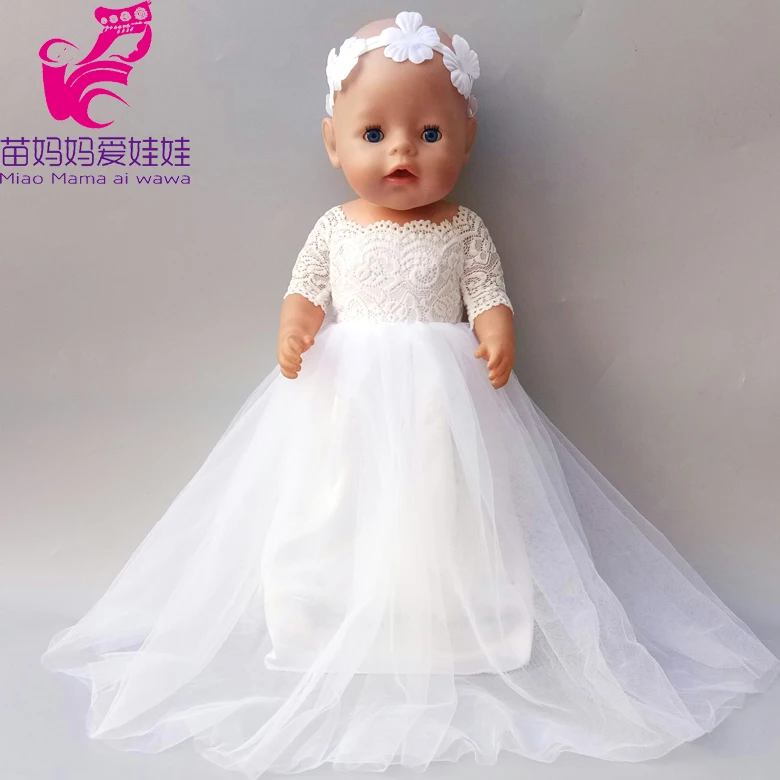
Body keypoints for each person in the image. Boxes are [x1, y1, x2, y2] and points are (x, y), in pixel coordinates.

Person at [41, 11, 780, 777]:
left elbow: (487, 291)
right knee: (336, 494)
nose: (401, 151)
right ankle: (322, 615)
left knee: (445, 497)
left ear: (466, 139)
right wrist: (296, 327)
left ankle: (451, 623)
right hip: (344, 388)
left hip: (441, 393)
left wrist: (497, 329)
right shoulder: (336, 226)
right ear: (333, 143)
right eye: (374, 134)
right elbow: (305, 289)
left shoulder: (463, 227)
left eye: (429, 134)